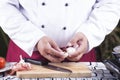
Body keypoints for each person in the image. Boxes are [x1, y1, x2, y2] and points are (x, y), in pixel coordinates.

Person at [0, 0, 119, 62]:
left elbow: (110, 4)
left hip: (80, 56)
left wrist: (89, 34)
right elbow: (4, 6)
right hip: (27, 55)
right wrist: (34, 38)